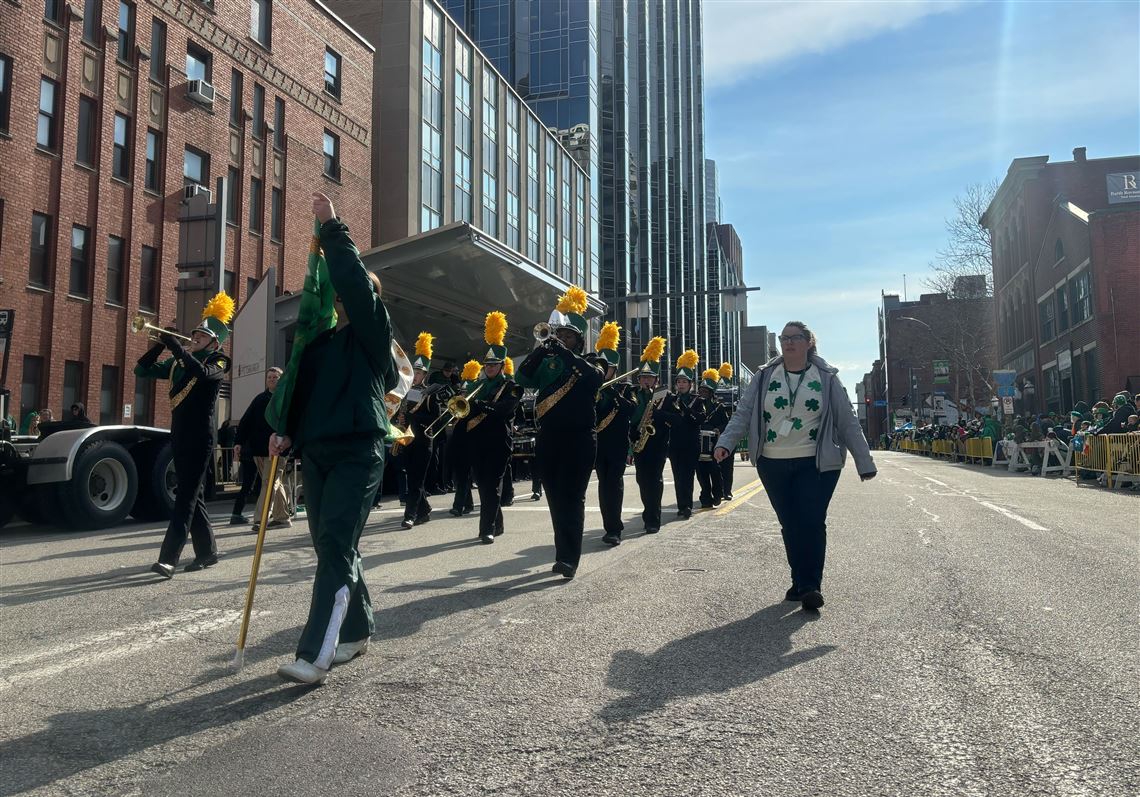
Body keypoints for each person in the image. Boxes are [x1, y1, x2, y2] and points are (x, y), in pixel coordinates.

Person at [267, 192, 399, 685]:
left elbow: (354, 281)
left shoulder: (373, 334)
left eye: (356, 291)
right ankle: (357, 631)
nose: (344, 296)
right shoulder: (318, 343)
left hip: (358, 451)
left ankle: (314, 655)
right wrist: (285, 433)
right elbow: (299, 397)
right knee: (330, 546)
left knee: (338, 542)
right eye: (341, 294)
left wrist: (331, 228)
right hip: (318, 452)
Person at [714, 321, 876, 612]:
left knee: (811, 521)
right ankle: (799, 580)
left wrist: (864, 462)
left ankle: (811, 586)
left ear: (808, 342)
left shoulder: (826, 377)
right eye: (785, 338)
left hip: (816, 462)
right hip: (772, 462)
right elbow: (744, 413)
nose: (788, 342)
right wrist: (725, 443)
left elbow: (847, 420)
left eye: (796, 338)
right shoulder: (764, 376)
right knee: (790, 524)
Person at [134, 292, 234, 578]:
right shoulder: (178, 363)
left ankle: (168, 559)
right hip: (178, 434)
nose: (195, 338)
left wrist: (179, 349)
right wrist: (158, 344)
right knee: (195, 495)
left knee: (185, 498)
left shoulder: (219, 361)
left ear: (214, 342)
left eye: (201, 336)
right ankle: (207, 552)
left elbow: (202, 374)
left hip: (200, 438)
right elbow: (141, 370)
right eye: (194, 335)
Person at [516, 286, 604, 577]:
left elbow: (594, 380)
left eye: (566, 336)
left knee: (572, 496)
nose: (560, 339)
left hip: (580, 438)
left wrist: (565, 353)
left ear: (577, 340)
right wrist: (541, 349)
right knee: (554, 497)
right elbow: (523, 377)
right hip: (549, 437)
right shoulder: (548, 359)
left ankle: (569, 558)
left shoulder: (589, 361)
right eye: (558, 335)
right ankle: (561, 553)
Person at [465, 312, 521, 543]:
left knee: (491, 487)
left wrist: (481, 406)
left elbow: (505, 410)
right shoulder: (476, 386)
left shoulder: (512, 387)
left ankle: (485, 529)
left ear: (501, 366)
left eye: (493, 364)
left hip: (499, 442)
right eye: (487, 364)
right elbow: (464, 412)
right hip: (477, 442)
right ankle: (496, 523)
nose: (489, 368)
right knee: (484, 486)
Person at [592, 321, 636, 546]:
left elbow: (631, 409)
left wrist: (613, 392)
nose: (602, 371)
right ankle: (607, 525)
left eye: (606, 368)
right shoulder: (592, 388)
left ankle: (615, 528)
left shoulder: (625, 389)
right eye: (600, 367)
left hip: (618, 445)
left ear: (615, 370)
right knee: (603, 484)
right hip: (599, 445)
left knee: (614, 484)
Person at [235, 367, 291, 533]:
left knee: (268, 482)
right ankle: (282, 518)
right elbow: (246, 421)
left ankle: (260, 519)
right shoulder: (259, 399)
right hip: (258, 450)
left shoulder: (287, 399)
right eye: (269, 377)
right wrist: (238, 441)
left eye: (276, 377)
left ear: (281, 380)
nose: (272, 379)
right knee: (274, 482)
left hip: (279, 449)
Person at [399, 332, 442, 529]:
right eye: (412, 372)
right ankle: (424, 510)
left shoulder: (430, 394)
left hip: (423, 442)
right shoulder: (404, 393)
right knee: (413, 478)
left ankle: (410, 515)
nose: (414, 376)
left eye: (418, 373)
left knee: (415, 481)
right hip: (406, 440)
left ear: (424, 375)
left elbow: (436, 419)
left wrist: (412, 418)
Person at [629, 337, 669, 534]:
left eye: (650, 377)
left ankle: (654, 518)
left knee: (655, 480)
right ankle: (648, 512)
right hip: (639, 443)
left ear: (656, 380)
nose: (646, 380)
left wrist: (659, 413)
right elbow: (632, 418)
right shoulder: (634, 395)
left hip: (658, 443)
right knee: (642, 481)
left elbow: (672, 420)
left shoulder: (663, 395)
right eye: (643, 377)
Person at [658, 350, 702, 520]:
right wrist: (674, 417)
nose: (681, 385)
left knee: (688, 476)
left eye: (684, 382)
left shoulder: (698, 401)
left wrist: (685, 410)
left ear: (690, 384)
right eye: (679, 382)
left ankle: (687, 506)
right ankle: (681, 505)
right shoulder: (670, 399)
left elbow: (698, 419)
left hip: (691, 445)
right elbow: (662, 415)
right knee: (678, 476)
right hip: (675, 444)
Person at [447, 359, 481, 516]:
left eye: (465, 393)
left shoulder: (474, 406)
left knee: (464, 474)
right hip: (457, 440)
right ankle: (468, 504)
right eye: (461, 392)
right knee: (460, 474)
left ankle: (458, 505)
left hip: (470, 440)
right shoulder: (457, 404)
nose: (463, 395)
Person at [695, 368, 730, 508]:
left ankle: (717, 493)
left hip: (713, 442)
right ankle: (705, 496)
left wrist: (718, 429)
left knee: (714, 470)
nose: (702, 393)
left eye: (705, 391)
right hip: (698, 442)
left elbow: (726, 423)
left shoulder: (719, 407)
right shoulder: (695, 405)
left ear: (711, 393)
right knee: (701, 472)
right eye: (701, 390)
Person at [717, 362, 736, 500]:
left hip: (728, 438)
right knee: (716, 467)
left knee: (728, 466)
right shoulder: (715, 405)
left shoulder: (735, 406)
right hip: (715, 439)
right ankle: (718, 490)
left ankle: (727, 490)